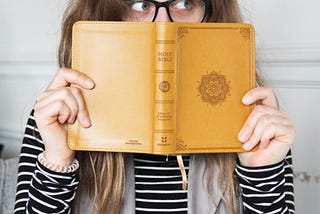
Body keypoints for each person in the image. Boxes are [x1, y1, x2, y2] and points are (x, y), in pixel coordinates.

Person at [14, 0, 296, 213]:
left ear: (211, 13)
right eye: (141, 4)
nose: (163, 23)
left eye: (185, 3)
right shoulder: (56, 117)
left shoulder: (254, 117)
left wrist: (261, 173)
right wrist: (57, 163)